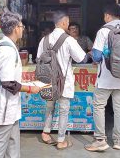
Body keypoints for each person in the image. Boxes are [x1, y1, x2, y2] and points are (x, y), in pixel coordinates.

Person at [0, 11, 41, 158]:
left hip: (11, 108)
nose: (23, 29)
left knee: (13, 143)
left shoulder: (6, 46)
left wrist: (25, 84)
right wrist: (29, 88)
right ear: (16, 28)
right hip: (4, 108)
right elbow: (7, 82)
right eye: (21, 26)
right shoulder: (7, 50)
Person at [84, 4, 120, 152]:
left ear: (107, 16)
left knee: (99, 106)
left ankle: (100, 139)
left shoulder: (103, 31)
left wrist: (94, 57)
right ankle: (118, 140)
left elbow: (96, 55)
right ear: (119, 15)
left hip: (106, 79)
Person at [37, 11, 88, 150]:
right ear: (64, 22)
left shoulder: (44, 40)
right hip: (64, 82)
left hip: (47, 80)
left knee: (49, 107)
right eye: (68, 22)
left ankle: (46, 133)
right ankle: (60, 140)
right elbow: (81, 58)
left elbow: (38, 59)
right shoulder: (69, 39)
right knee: (63, 110)